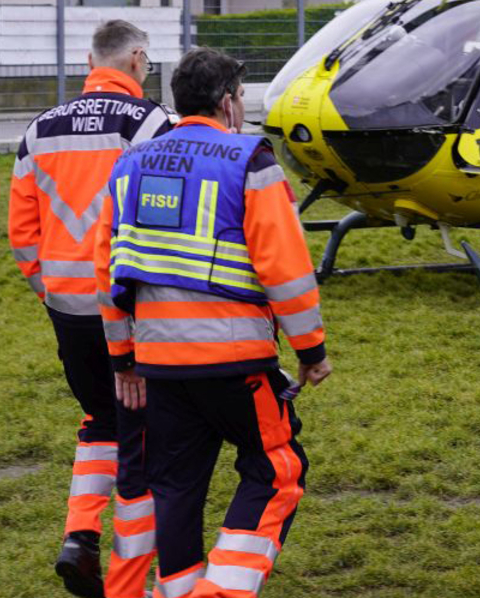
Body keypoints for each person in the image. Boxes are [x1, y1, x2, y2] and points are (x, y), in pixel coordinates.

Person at [95, 47, 330, 598]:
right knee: (277, 471)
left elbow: (107, 270)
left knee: (174, 487)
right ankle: (220, 590)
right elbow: (286, 269)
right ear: (228, 102)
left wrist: (122, 358)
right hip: (235, 361)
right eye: (242, 97)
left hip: (158, 362)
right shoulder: (249, 160)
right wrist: (311, 349)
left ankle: (177, 590)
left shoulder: (129, 165)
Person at [8, 19, 174, 598]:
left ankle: (79, 536)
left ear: (89, 59)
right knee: (146, 430)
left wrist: (49, 286)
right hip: (132, 304)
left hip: (67, 305)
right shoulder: (152, 122)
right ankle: (153, 571)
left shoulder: (39, 130)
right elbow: (167, 214)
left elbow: (21, 232)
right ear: (134, 58)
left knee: (99, 419)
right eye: (147, 61)